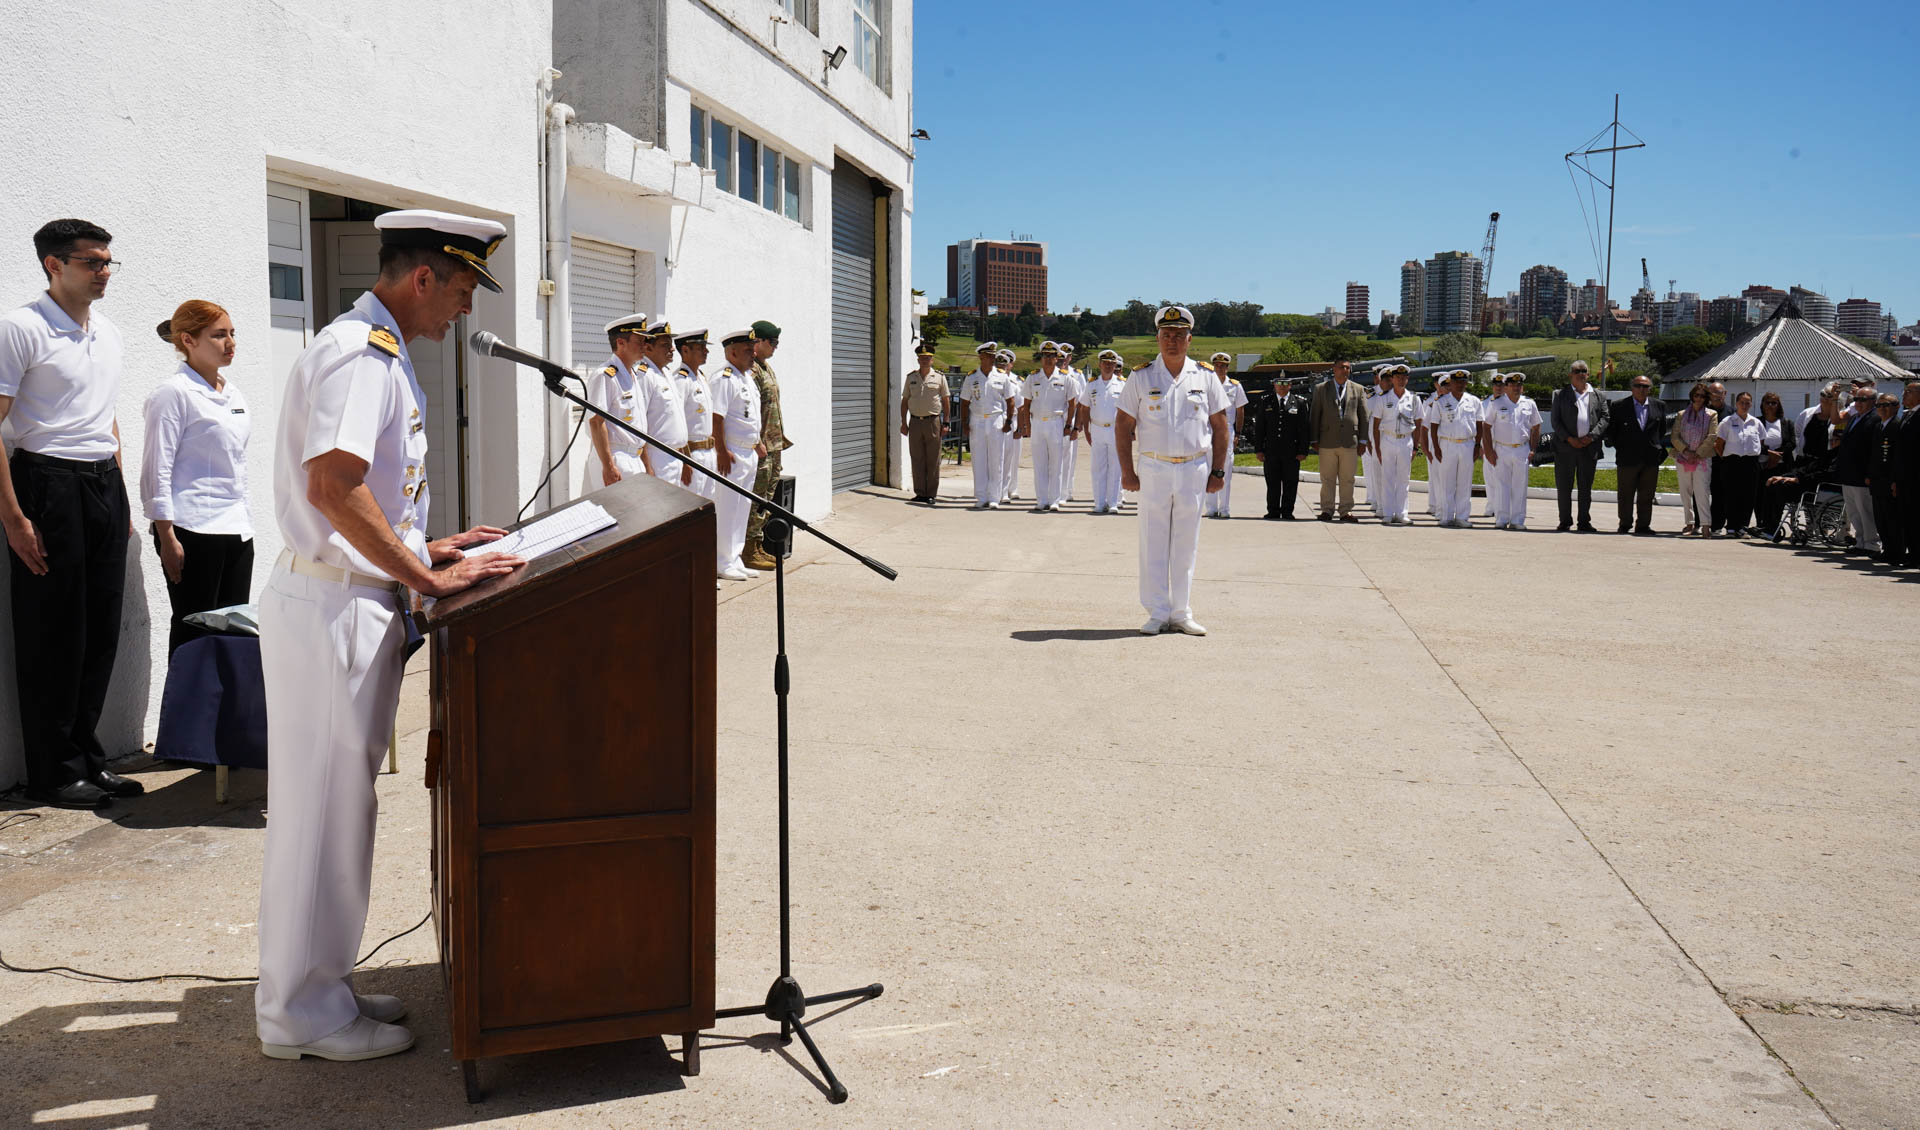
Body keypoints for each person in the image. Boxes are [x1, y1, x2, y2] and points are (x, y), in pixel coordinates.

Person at [256, 209, 524, 1062]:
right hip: (336, 607)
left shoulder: (380, 349)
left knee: (341, 808)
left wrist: (428, 546)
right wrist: (429, 578)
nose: (463, 311)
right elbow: (335, 488)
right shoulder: (357, 353)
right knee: (322, 813)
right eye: (460, 290)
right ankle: (300, 1011)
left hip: (353, 597)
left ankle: (319, 984)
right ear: (421, 279)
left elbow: (367, 495)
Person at [0, 218, 139, 810]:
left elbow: (105, 419)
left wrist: (121, 497)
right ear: (54, 265)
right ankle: (53, 772)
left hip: (102, 482)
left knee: (101, 628)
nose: (104, 272)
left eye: (109, 262)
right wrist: (13, 517)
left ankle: (88, 757)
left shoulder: (107, 332)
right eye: (92, 262)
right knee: (54, 631)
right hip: (46, 481)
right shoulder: (20, 329)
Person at [142, 300, 253, 655]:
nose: (230, 343)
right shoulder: (173, 393)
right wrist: (166, 535)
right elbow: (156, 467)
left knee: (233, 633)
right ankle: (188, 710)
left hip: (236, 528)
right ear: (188, 340)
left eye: (232, 333)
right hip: (192, 531)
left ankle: (227, 711)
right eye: (219, 335)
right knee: (195, 632)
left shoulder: (233, 393)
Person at [1116, 306, 1229, 636]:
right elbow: (1123, 426)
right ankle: (1157, 610)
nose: (1173, 342)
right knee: (1152, 540)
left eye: (1179, 336)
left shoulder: (1206, 377)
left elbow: (1220, 427)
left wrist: (1218, 472)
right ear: (1158, 338)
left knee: (1185, 542)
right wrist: (1127, 472)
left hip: (1193, 468)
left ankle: (1181, 611)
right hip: (1154, 467)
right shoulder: (1142, 376)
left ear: (1189, 339)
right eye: (1167, 335)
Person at [709, 328, 766, 578]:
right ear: (732, 352)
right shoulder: (724, 378)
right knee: (728, 507)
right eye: (747, 350)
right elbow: (716, 417)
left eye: (753, 349)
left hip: (747, 454)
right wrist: (721, 450)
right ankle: (721, 561)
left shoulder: (747, 378)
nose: (753, 353)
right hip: (730, 453)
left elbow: (750, 418)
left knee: (742, 507)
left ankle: (735, 557)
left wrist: (757, 442)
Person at [743, 321, 789, 572]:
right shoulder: (752, 372)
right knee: (757, 497)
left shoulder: (765, 367)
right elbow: (749, 411)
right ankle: (748, 549)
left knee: (767, 498)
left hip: (773, 443)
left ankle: (758, 545)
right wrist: (757, 441)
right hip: (760, 446)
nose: (775, 347)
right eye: (773, 343)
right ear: (757, 342)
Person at [585, 313, 651, 486]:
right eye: (639, 341)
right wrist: (608, 466)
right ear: (621, 343)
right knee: (614, 513)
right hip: (616, 458)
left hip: (634, 458)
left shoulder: (632, 375)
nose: (645, 346)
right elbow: (596, 422)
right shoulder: (605, 375)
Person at [1607, 375, 1668, 535]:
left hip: (1650, 458)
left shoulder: (1659, 406)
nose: (1642, 389)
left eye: (1645, 386)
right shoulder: (1619, 406)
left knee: (1647, 495)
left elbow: (1661, 430)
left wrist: (1655, 447)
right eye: (1638, 385)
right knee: (1625, 494)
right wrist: (1622, 447)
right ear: (1632, 387)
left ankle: (1643, 525)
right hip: (1627, 457)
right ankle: (1625, 524)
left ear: (1650, 389)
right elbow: (1612, 432)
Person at [1551, 360, 1607, 531]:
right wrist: (1569, 438)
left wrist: (1591, 437)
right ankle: (1565, 521)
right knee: (1564, 487)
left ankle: (1584, 521)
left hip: (1589, 448)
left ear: (1588, 374)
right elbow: (1556, 421)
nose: (1581, 374)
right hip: (1565, 448)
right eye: (1577, 371)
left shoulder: (1598, 395)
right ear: (1570, 374)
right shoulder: (1561, 395)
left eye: (1584, 371)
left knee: (1585, 488)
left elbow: (1605, 418)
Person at [958, 341, 1015, 509]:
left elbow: (1010, 401)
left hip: (996, 419)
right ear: (980, 357)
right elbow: (964, 402)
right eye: (988, 356)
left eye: (993, 356)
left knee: (996, 459)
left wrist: (1009, 421)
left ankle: (994, 497)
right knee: (979, 459)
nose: (991, 359)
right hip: (977, 420)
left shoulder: (1001, 376)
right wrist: (964, 423)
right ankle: (981, 496)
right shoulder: (972, 377)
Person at [1310, 359, 1368, 521]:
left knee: (1348, 478)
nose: (1345, 370)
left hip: (1350, 441)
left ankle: (1346, 511)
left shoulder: (1358, 389)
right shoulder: (1321, 389)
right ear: (1334, 369)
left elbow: (1364, 416)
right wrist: (1313, 439)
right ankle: (1327, 510)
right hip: (1327, 441)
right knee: (1327, 478)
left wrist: (1363, 441)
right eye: (1341, 367)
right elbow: (1315, 415)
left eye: (1348, 368)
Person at [1480, 374, 1540, 530]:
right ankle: (1501, 518)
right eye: (1512, 385)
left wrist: (1533, 449)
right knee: (1501, 485)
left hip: (1522, 449)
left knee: (1520, 486)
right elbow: (1486, 427)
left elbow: (1536, 426)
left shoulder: (1529, 404)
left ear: (1522, 387)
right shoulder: (1496, 404)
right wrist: (1488, 450)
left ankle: (1517, 520)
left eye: (1519, 385)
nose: (1516, 388)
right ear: (1506, 387)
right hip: (1501, 448)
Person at [1020, 342, 1075, 512]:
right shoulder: (1033, 377)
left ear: (1057, 358)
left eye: (1052, 356)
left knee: (1056, 463)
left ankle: (1055, 500)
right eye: (1046, 356)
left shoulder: (1065, 378)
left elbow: (1072, 404)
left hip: (1056, 422)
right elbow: (1026, 404)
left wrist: (1068, 425)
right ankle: (1041, 499)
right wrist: (1027, 426)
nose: (1049, 359)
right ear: (1041, 358)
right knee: (1040, 463)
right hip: (1037, 422)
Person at [633, 318, 688, 482]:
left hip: (675, 456)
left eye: (671, 344)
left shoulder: (667, 374)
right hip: (658, 458)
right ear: (648, 347)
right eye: (665, 344)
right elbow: (639, 425)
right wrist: (647, 466)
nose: (672, 349)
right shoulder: (644, 375)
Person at [1424, 371, 1480, 528]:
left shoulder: (1474, 401)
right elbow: (1433, 427)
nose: (1460, 384)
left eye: (1463, 382)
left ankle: (1462, 517)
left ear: (1466, 383)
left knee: (1464, 483)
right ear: (1452, 383)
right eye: (1457, 382)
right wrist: (1436, 447)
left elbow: (1480, 424)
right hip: (1447, 444)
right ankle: (1446, 516)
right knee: (1446, 482)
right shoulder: (1441, 402)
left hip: (1467, 444)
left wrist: (1477, 446)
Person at [1367, 364, 1419, 526]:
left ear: (1407, 379)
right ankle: (1388, 513)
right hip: (1387, 440)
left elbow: (1419, 422)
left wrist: (1416, 447)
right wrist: (1377, 447)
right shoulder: (1383, 399)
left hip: (1405, 440)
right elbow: (1376, 425)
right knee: (1387, 478)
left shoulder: (1413, 399)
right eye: (1398, 378)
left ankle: (1402, 513)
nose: (1401, 380)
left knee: (1404, 479)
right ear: (1393, 379)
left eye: (1404, 378)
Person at [1078, 348, 1128, 514]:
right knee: (1098, 467)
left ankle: (1113, 502)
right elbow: (1084, 408)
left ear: (1115, 365)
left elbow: (1128, 410)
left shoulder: (1122, 385)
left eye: (1111, 364)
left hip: (1116, 429)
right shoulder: (1092, 384)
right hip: (1097, 429)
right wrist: (1087, 430)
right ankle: (1099, 502)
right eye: (1105, 363)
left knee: (1115, 467)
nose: (1108, 366)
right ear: (1099, 365)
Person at [1255, 376, 1312, 520]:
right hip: (1271, 450)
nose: (1282, 386)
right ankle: (1273, 510)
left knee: (1290, 482)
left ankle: (1287, 511)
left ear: (1290, 385)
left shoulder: (1299, 402)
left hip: (1291, 451)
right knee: (1272, 482)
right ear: (1274, 385)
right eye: (1279, 383)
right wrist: (1259, 449)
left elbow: (1304, 429)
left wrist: (1303, 450)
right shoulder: (1266, 402)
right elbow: (1260, 427)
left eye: (1285, 384)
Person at [1833, 385, 1882, 555]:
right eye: (1856, 399)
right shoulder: (1854, 418)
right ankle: (1861, 542)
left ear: (1873, 402)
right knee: (1854, 512)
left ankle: (1872, 544)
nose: (1859, 403)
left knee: (1866, 511)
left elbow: (1873, 449)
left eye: (1863, 400)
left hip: (1862, 475)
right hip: (1849, 473)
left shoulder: (1875, 419)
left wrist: (1870, 473)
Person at [672, 328, 717, 498]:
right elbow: (678, 422)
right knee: (691, 504)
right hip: (692, 454)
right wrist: (685, 460)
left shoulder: (701, 378)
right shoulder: (681, 380)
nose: (706, 351)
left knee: (707, 506)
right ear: (685, 350)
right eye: (700, 347)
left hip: (708, 453)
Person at [900, 343, 947, 504]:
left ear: (932, 360)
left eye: (927, 358)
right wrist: (903, 423)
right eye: (922, 358)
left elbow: (946, 401)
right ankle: (920, 492)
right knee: (917, 457)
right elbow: (905, 401)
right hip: (914, 422)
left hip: (933, 421)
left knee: (933, 459)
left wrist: (946, 422)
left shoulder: (939, 377)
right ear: (918, 360)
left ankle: (931, 494)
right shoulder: (911, 378)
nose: (925, 361)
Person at [1669, 382, 1717, 536]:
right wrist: (1686, 451)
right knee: (1685, 492)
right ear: (1692, 396)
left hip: (1702, 459)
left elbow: (1712, 436)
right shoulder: (1682, 414)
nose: (1699, 399)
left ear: (1706, 398)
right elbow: (1674, 436)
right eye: (1696, 395)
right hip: (1683, 457)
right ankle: (1689, 523)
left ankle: (1705, 525)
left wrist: (1698, 453)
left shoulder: (1711, 415)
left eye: (1702, 396)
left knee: (1702, 491)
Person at [1203, 351, 1246, 519]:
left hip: (1227, 431)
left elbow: (1240, 410)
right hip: (1208, 431)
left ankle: (1225, 508)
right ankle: (1211, 507)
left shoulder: (1235, 386)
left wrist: (1238, 433)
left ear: (1228, 368)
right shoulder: (1206, 384)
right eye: (1217, 365)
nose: (1220, 368)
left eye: (1223, 366)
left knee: (1225, 470)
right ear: (1213, 366)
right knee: (1208, 468)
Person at [1714, 391, 1764, 536]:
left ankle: (1743, 526)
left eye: (1747, 402)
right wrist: (1725, 458)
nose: (1744, 405)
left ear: (1751, 404)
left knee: (1748, 496)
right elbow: (1718, 444)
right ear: (1736, 403)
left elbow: (1760, 442)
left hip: (1751, 463)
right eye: (1741, 402)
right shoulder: (1728, 421)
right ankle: (1731, 526)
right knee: (1731, 495)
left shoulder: (1756, 423)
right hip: (1732, 462)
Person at [1752, 391, 1796, 536]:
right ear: (1762, 405)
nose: (1770, 406)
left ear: (1778, 405)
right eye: (1767, 402)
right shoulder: (1756, 422)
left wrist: (1777, 456)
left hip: (1781, 466)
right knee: (1760, 497)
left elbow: (1791, 443)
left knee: (1777, 499)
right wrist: (1768, 454)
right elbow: (1753, 442)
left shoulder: (1787, 423)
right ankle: (1761, 525)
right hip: (1762, 466)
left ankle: (1773, 526)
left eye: (1774, 403)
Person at [1869, 392, 1904, 565]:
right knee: (1880, 517)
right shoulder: (1878, 426)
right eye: (1879, 405)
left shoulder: (1897, 426)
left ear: (1897, 407)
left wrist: (1894, 480)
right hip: (1877, 480)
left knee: (1892, 518)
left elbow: (1897, 457)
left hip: (1888, 479)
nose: (1882, 409)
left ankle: (1896, 552)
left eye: (1886, 405)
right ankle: (1887, 549)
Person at [1893, 380, 1920, 568]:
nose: (1904, 395)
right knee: (1907, 517)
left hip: (1916, 476)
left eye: (1908, 392)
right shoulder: (1906, 415)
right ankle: (1913, 554)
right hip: (1904, 477)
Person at [995, 347, 1022, 504]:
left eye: (1007, 362)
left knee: (1012, 457)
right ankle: (995, 489)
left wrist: (1022, 427)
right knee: (995, 456)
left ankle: (1010, 488)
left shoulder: (1017, 381)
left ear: (1011, 364)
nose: (1004, 364)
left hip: (1012, 419)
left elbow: (1021, 406)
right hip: (996, 419)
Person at [1705, 380, 1731, 533]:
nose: (1716, 396)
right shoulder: (1702, 412)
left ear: (1725, 394)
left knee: (1720, 493)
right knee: (1700, 492)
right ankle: (1699, 523)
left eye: (1719, 393)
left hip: (1723, 460)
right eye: (1712, 393)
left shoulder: (1732, 413)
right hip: (1703, 458)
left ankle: (1717, 524)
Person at [1058, 343, 1083, 501]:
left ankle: (1066, 491)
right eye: (1062, 356)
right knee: (1053, 458)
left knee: (1069, 458)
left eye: (1067, 356)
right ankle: (1054, 491)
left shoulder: (1077, 375)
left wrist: (1078, 425)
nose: (1065, 359)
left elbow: (1082, 401)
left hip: (1071, 418)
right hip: (1055, 419)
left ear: (1070, 357)